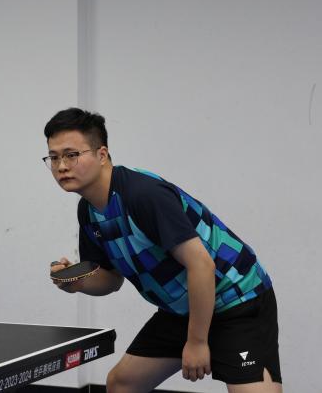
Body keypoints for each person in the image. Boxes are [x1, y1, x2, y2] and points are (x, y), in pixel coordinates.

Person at [44, 107, 281, 392]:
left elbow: (201, 265)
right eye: (54, 157)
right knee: (122, 384)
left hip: (237, 300)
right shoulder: (89, 212)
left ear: (102, 154)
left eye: (71, 154)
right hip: (184, 308)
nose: (61, 166)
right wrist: (78, 283)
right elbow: (111, 279)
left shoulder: (143, 195)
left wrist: (196, 342)